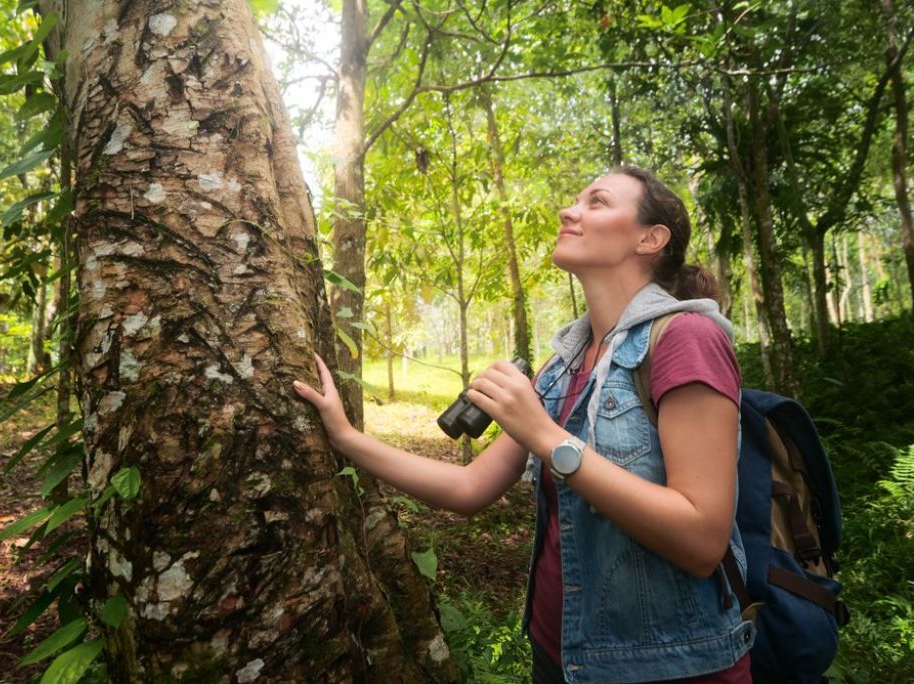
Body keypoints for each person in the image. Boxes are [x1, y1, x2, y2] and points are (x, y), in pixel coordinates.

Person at [294, 166, 754, 683]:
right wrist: (346, 437)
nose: (569, 210)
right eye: (575, 199)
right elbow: (469, 487)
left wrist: (545, 436)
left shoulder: (686, 337)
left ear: (650, 238)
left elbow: (701, 539)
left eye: (597, 202)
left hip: (667, 667)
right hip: (557, 654)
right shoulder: (562, 366)